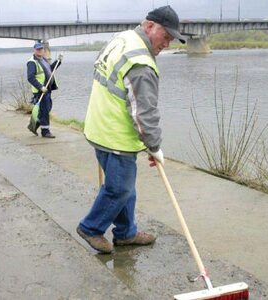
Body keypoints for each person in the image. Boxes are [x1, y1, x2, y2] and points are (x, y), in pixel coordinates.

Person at [77, 5, 186, 254]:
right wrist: (154, 146)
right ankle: (91, 227)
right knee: (119, 189)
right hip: (116, 136)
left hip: (98, 126)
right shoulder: (141, 64)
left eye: (171, 39)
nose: (167, 44)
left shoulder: (122, 38)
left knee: (126, 186)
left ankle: (125, 233)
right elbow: (144, 113)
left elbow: (99, 68)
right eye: (165, 36)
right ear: (149, 26)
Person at [27, 41, 62, 138]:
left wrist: (58, 62)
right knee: (45, 111)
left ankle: (33, 125)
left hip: (48, 89)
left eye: (41, 49)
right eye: (38, 49)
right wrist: (40, 87)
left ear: (43, 50)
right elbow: (30, 78)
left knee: (47, 109)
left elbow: (50, 69)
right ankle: (45, 131)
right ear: (34, 50)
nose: (40, 50)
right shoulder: (32, 62)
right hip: (40, 91)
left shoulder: (44, 60)